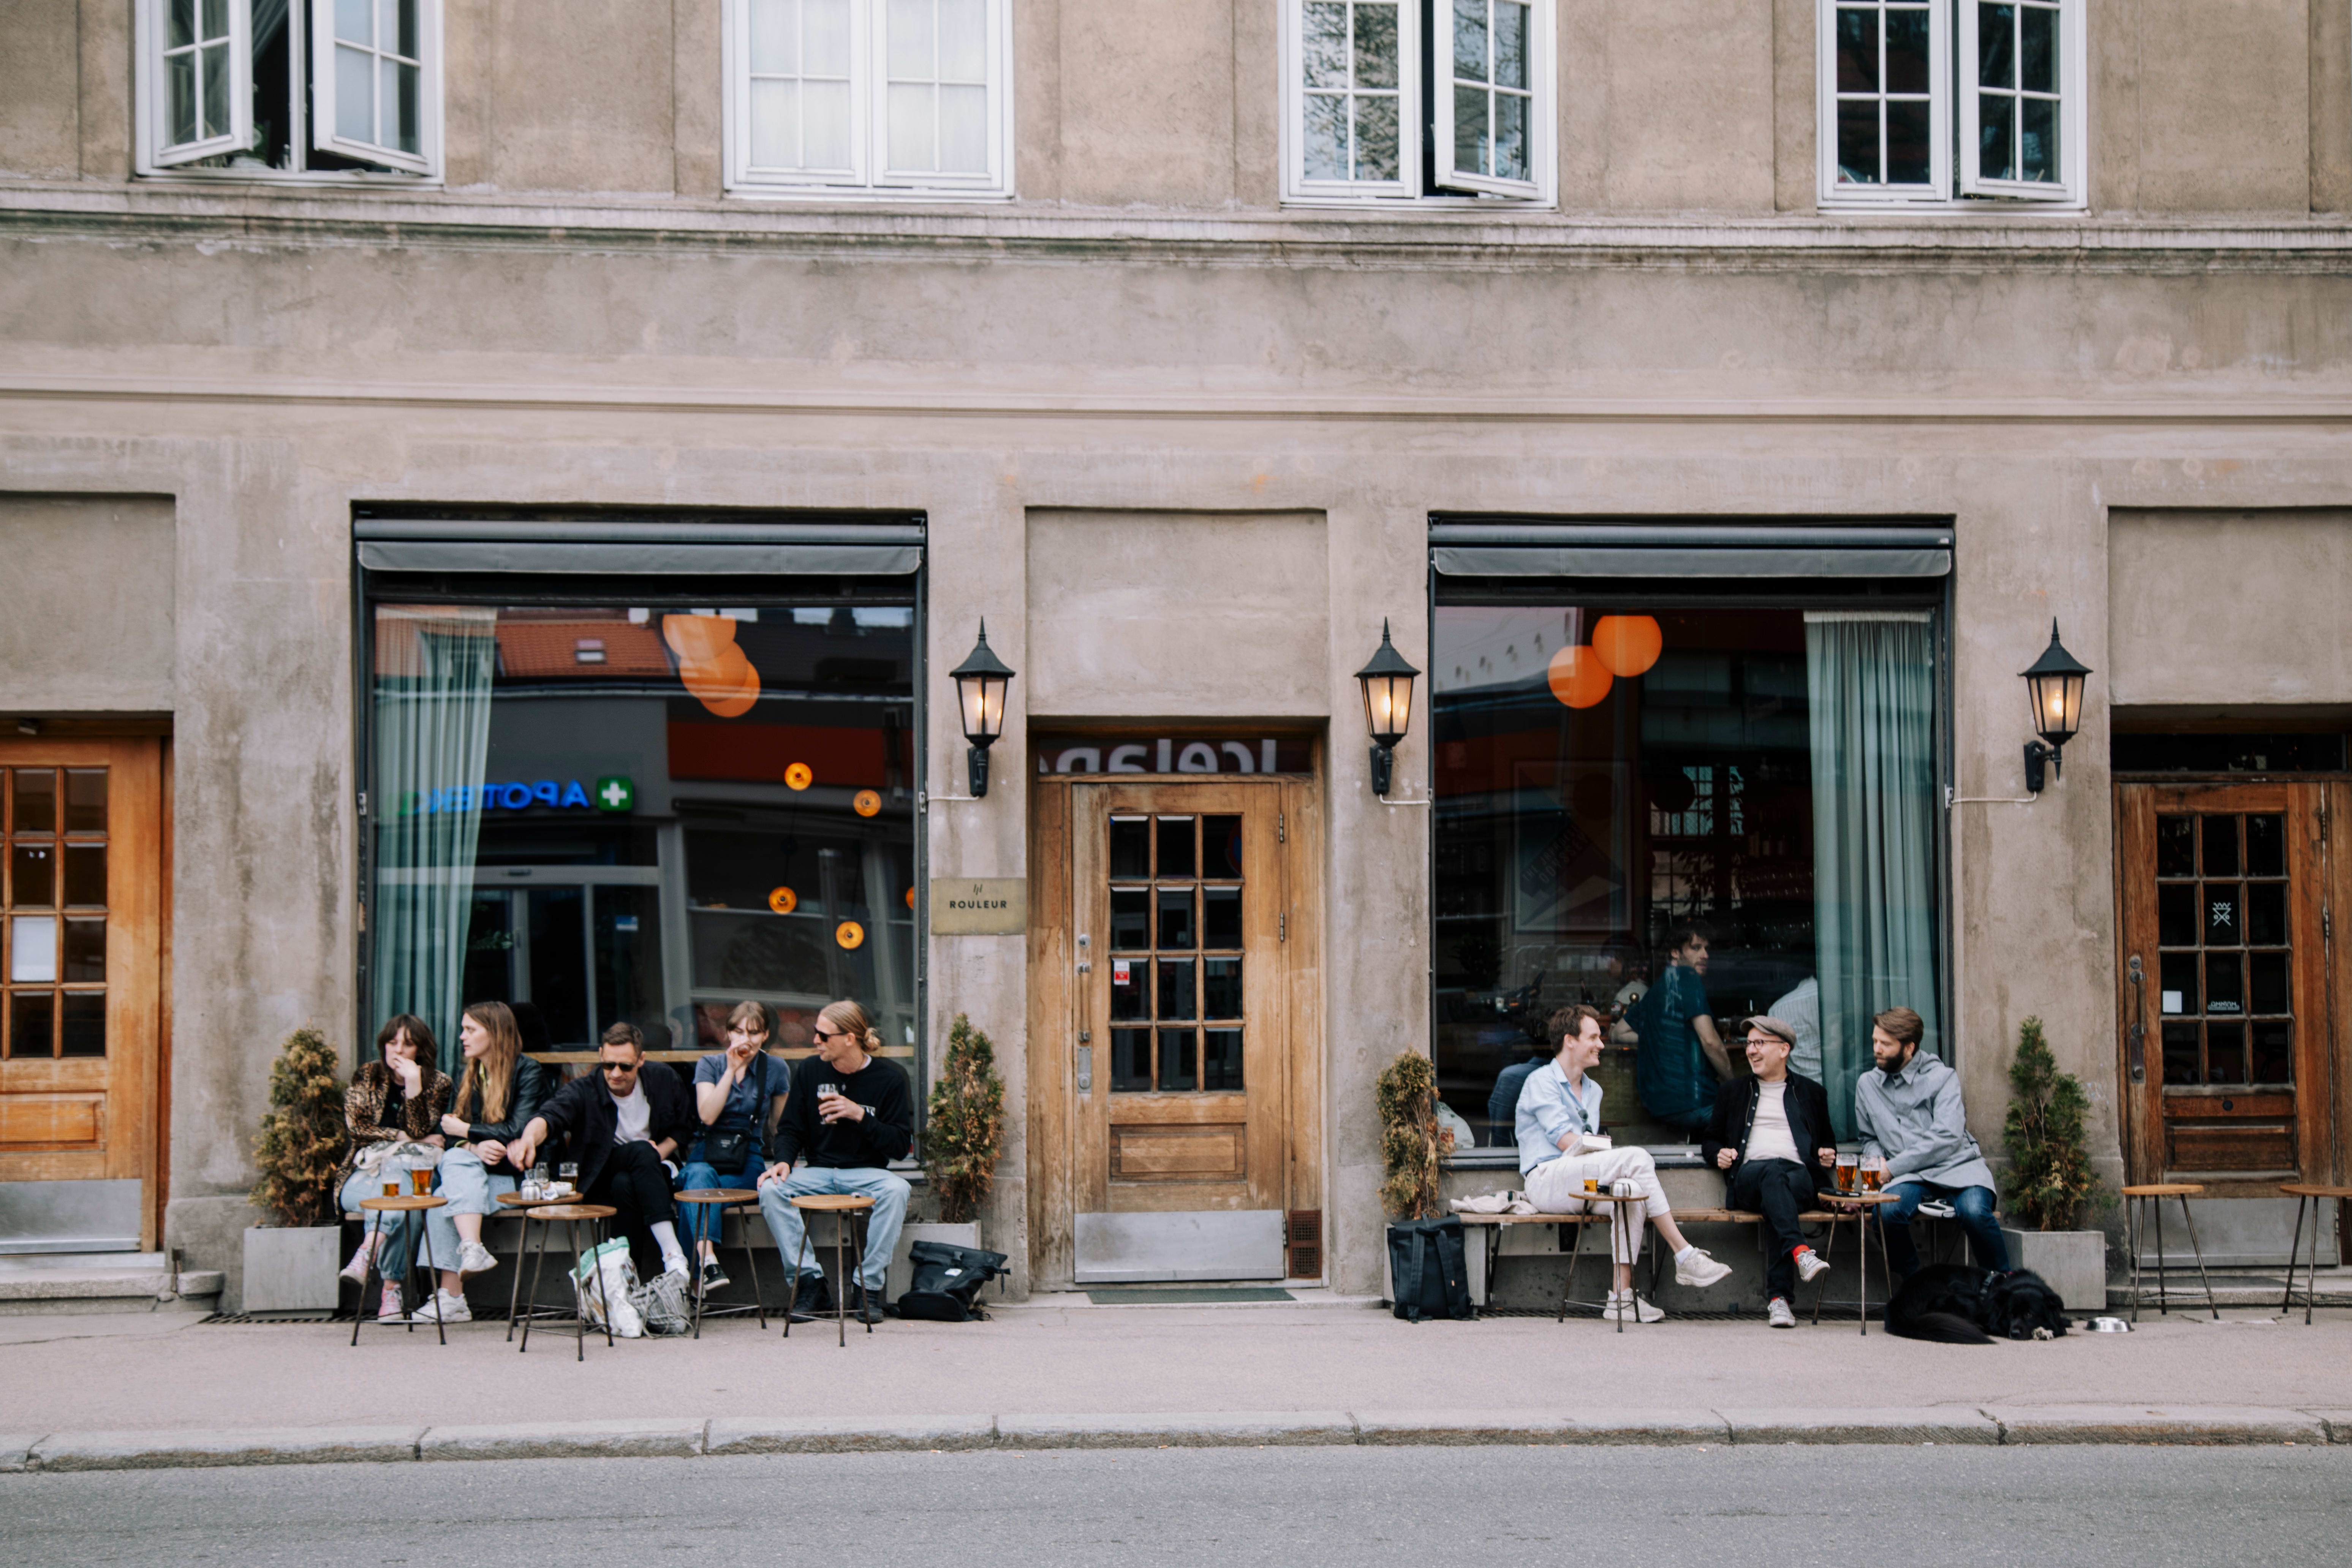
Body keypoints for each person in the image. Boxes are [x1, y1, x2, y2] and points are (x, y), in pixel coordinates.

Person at [1516, 1004, 1732, 1322]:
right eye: (1593, 1037)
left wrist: (1600, 1151)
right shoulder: (1541, 1080)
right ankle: (1684, 1253)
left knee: (1630, 1190)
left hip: (1581, 1177)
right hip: (1546, 1179)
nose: (1601, 1044)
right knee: (1637, 1157)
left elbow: (1586, 1147)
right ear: (1570, 1041)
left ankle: (1621, 1297)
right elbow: (1565, 1141)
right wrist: (1605, 1150)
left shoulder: (1593, 1090)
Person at [509, 1022, 697, 1305]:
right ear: (600, 1056)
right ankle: (673, 1257)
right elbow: (551, 1115)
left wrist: (657, 1153)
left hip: (651, 1173)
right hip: (600, 1175)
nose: (616, 1073)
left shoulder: (663, 1079)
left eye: (625, 1066)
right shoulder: (586, 1089)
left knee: (627, 1181)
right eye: (609, 1065)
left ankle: (627, 1288)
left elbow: (683, 1129)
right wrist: (527, 1140)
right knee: (635, 1159)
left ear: (641, 1060)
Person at [756, 1000, 914, 1324]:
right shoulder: (811, 1071)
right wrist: (783, 1161)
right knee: (771, 1189)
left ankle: (867, 1287)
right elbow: (790, 1128)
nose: (815, 1040)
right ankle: (810, 1283)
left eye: (823, 1035)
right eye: (816, 1033)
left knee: (897, 1190)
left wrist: (859, 1115)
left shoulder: (891, 1077)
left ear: (850, 1038)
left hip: (867, 1172)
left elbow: (899, 1146)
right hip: (818, 1171)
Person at [405, 1000, 550, 1323]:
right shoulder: (468, 1073)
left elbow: (518, 1130)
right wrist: (474, 1147)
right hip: (473, 1174)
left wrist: (467, 1132)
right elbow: (448, 1136)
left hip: (518, 1178)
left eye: (470, 1029)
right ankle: (471, 1250)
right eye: (463, 1029)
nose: (462, 1037)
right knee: (454, 1172)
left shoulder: (528, 1071)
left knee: (445, 1197)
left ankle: (453, 1298)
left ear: (495, 1033)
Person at [1702, 1014, 1840, 1329]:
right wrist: (1717, 1154)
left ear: (1783, 1049)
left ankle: (1780, 1300)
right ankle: (1799, 1257)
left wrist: (1827, 1153)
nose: (1751, 1050)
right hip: (1749, 1178)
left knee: (1778, 1193)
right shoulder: (1733, 1091)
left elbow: (1828, 1141)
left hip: (1798, 1179)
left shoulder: (1812, 1092)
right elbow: (1709, 1139)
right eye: (1749, 1043)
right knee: (1771, 1173)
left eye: (1759, 1043)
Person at [1854, 1006, 2009, 1278]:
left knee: (1975, 1212)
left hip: (1958, 1167)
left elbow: (1947, 1137)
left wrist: (1891, 1167)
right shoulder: (1867, 1084)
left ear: (1909, 1048)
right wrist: (1876, 1157)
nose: (1876, 1049)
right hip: (1910, 1176)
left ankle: (2003, 1286)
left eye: (1885, 1044)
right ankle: (1919, 1287)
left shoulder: (1942, 1077)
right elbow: (1869, 1137)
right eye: (1875, 1041)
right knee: (1886, 1213)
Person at [334, 1016, 454, 1324]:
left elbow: (420, 1129)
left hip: (414, 1173)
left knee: (403, 1196)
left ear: (421, 1050)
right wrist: (402, 1137)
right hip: (365, 1174)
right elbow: (358, 1128)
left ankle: (368, 1253)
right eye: (392, 1042)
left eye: (408, 1044)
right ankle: (391, 1289)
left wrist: (413, 1084)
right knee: (403, 1201)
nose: (398, 1049)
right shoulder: (367, 1074)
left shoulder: (438, 1082)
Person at [680, 1000, 791, 1292]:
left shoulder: (775, 1068)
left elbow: (779, 1127)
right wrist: (731, 1070)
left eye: (754, 1033)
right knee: (699, 1176)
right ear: (728, 1033)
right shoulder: (710, 1064)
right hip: (706, 1152)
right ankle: (709, 1261)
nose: (746, 1039)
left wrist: (786, 1160)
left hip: (748, 1159)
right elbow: (707, 1115)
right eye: (739, 1031)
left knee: (694, 1195)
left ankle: (692, 1285)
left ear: (765, 1035)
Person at [1626, 924, 1735, 1137]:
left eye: (1706, 949)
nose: (1705, 955)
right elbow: (1711, 1042)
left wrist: (1660, 1036)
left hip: (1658, 1104)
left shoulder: (1661, 985)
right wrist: (1735, 1086)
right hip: (1693, 1101)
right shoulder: (1688, 976)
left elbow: (1619, 1032)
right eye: (1696, 948)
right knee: (1754, 1114)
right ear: (1675, 952)